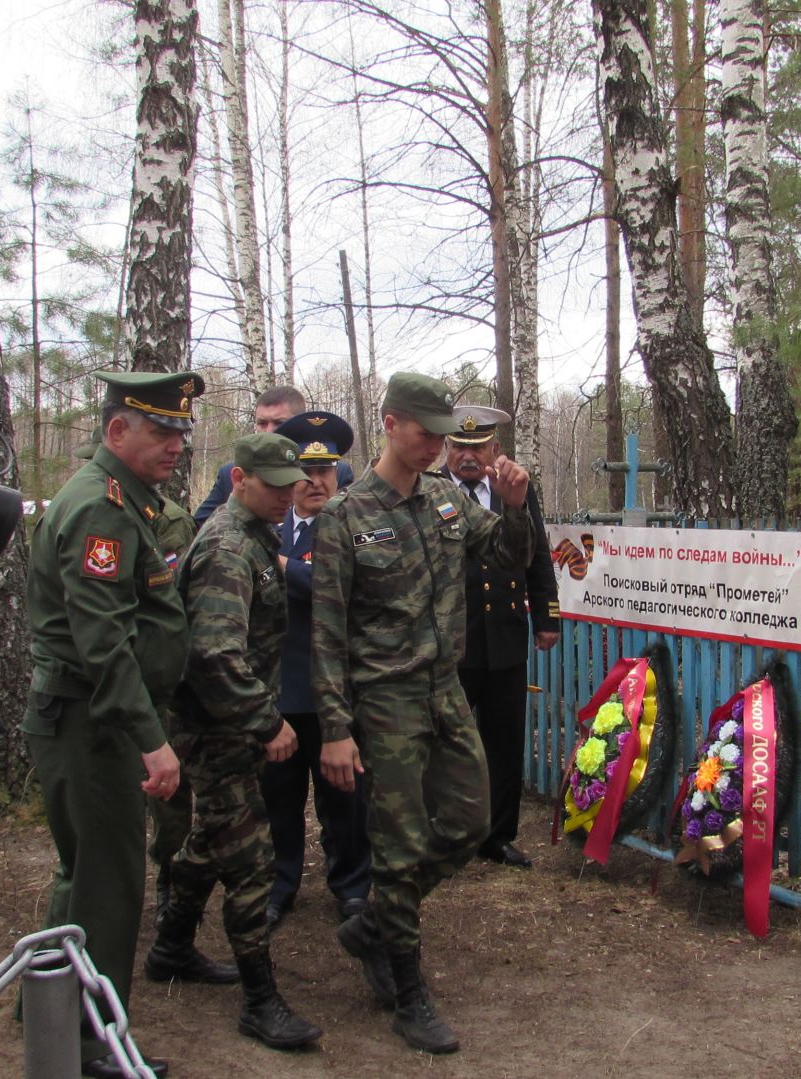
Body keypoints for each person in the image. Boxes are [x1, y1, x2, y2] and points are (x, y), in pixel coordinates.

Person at [311, 372, 535, 1054]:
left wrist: (517, 507)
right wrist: (336, 729)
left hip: (444, 693)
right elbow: (327, 632)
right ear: (389, 422)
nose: (438, 444)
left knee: (471, 821)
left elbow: (506, 554)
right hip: (385, 705)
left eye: (444, 433)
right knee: (401, 847)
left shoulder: (445, 501)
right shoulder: (345, 516)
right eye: (425, 431)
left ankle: (375, 920)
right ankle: (409, 991)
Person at [25, 369, 207, 1079]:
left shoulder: (126, 500)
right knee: (107, 882)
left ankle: (48, 1014)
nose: (175, 445)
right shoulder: (101, 509)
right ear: (115, 431)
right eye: (161, 430)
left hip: (89, 717)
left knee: (83, 875)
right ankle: (91, 1046)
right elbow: (102, 642)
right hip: (92, 721)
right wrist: (151, 740)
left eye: (180, 432)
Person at [155, 432, 322, 1050]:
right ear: (238, 481)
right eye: (274, 485)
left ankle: (172, 947)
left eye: (291, 484)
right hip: (214, 726)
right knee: (253, 860)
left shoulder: (253, 538)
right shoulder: (229, 548)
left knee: (209, 841)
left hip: (223, 724)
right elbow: (214, 655)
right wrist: (267, 721)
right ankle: (260, 1000)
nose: (287, 495)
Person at [261, 411, 372, 926]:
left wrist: (285, 567)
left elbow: (343, 589)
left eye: (326, 470)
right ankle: (279, 886)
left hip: (338, 696)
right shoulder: (267, 527)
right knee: (278, 800)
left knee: (345, 800)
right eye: (306, 472)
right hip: (280, 696)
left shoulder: (355, 527)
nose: (316, 481)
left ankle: (351, 887)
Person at [445, 405, 559, 869]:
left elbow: (537, 553)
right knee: (446, 744)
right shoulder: (431, 493)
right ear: (446, 449)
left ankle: (498, 835)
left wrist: (547, 616)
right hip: (452, 640)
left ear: (495, 450)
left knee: (505, 740)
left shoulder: (512, 492)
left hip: (505, 635)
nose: (468, 456)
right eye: (459, 446)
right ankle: (447, 837)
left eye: (478, 447)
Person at [192, 386, 353, 526]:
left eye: (279, 423)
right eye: (262, 423)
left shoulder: (335, 471)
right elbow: (200, 527)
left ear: (299, 426)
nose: (269, 431)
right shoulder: (237, 473)